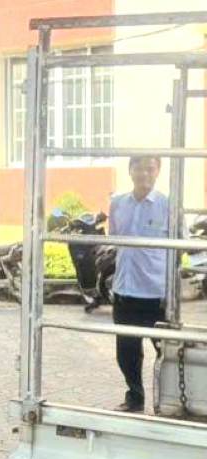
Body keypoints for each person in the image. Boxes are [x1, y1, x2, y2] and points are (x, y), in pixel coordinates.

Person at [109, 156, 169, 413]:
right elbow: (113, 237)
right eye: (139, 167)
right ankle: (135, 398)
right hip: (125, 291)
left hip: (157, 294)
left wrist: (173, 291)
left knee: (166, 354)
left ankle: (166, 403)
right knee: (127, 353)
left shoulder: (168, 205)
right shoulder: (117, 203)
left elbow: (181, 248)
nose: (144, 173)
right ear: (130, 171)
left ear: (158, 172)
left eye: (150, 168)